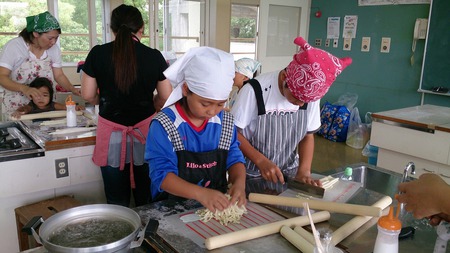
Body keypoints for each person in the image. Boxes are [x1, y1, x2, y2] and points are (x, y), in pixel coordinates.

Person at [81, 4, 172, 207]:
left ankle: (121, 238)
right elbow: (166, 95)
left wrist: (99, 101)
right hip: (146, 133)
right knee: (148, 197)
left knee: (116, 200)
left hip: (111, 132)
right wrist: (154, 103)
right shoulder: (154, 56)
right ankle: (149, 238)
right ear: (141, 29)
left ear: (112, 29)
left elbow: (87, 94)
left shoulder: (97, 53)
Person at [231, 37, 352, 186]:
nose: (301, 104)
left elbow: (308, 135)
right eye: (296, 98)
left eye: (305, 101)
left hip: (289, 171)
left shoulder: (310, 95)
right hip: (252, 172)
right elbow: (233, 132)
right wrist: (261, 161)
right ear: (284, 78)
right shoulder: (254, 91)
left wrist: (304, 171)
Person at [145, 47, 247, 212]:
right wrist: (201, 194)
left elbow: (234, 158)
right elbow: (161, 175)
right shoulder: (165, 124)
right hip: (170, 210)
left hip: (214, 209)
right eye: (205, 104)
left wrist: (239, 184)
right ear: (186, 89)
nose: (212, 111)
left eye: (220, 104)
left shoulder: (225, 122)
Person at [0, 11, 80, 116]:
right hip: (17, 106)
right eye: (50, 38)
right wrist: (24, 88)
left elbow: (59, 75)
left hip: (43, 106)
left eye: (56, 38)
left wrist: (72, 88)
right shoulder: (14, 47)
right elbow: (2, 76)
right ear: (36, 33)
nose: (53, 42)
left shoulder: (54, 49)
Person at [11, 77, 84, 119]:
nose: (40, 98)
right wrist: (18, 112)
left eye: (45, 95)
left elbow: (65, 107)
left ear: (50, 96)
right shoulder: (31, 107)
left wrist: (76, 107)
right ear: (31, 96)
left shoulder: (52, 105)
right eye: (37, 95)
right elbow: (24, 109)